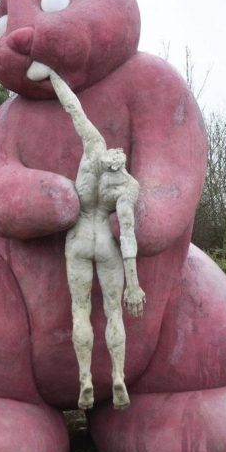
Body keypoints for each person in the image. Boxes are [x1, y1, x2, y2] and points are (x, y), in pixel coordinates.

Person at [49, 69, 145, 410]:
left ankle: (85, 378)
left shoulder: (93, 147)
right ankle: (117, 376)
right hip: (106, 241)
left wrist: (53, 75)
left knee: (81, 309)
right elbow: (128, 232)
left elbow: (73, 108)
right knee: (113, 311)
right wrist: (133, 284)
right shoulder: (128, 186)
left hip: (78, 238)